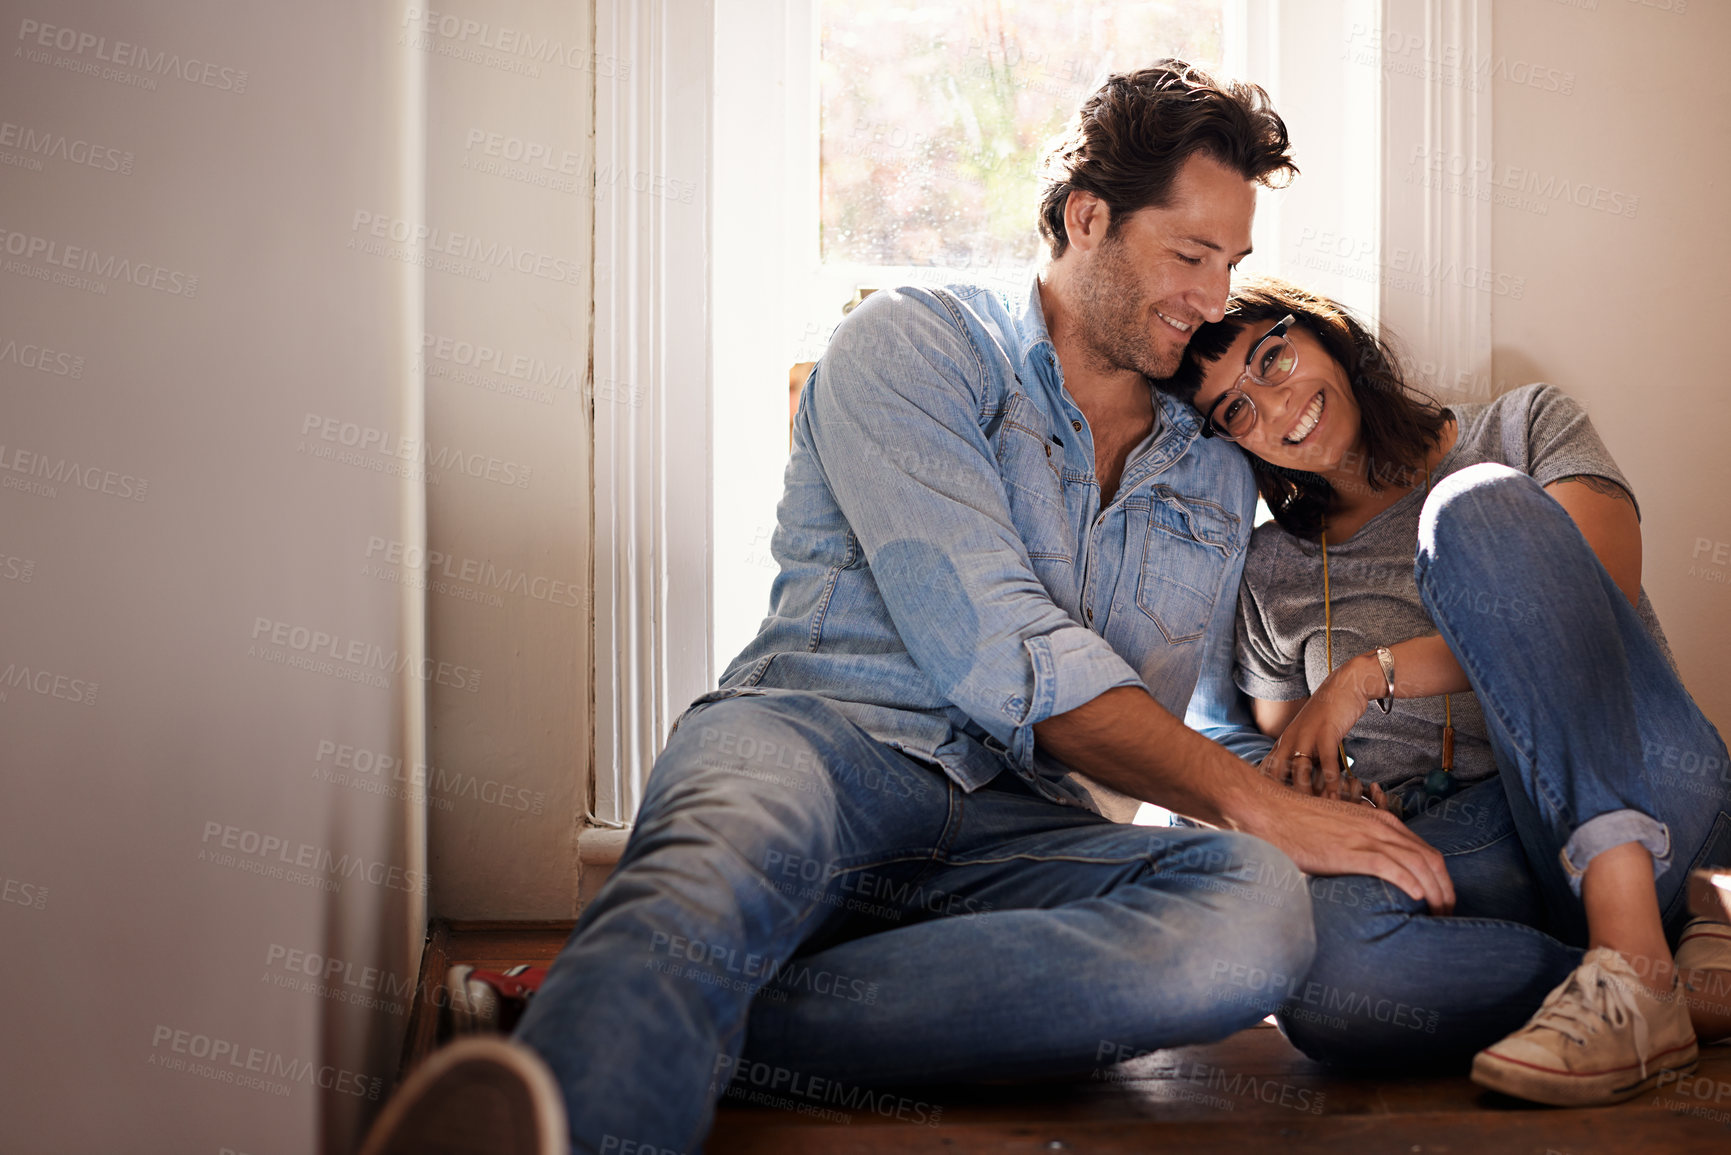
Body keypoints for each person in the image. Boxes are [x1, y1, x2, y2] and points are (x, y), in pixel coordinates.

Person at [360, 64, 1452, 1155]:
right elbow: (997, 645)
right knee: (714, 864)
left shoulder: (1215, 462)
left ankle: (616, 1016)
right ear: (1087, 218)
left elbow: (1200, 714)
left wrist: (1304, 792)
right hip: (816, 748)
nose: (1217, 301)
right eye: (1190, 255)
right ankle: (597, 1080)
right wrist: (1256, 804)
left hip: (1022, 829)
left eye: (1234, 264)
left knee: (1250, 917)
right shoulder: (913, 347)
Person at [1160, 275, 1731, 1107]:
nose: (1273, 406)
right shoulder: (1270, 571)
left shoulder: (1523, 425)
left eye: (1271, 357)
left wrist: (1367, 675)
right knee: (1322, 977)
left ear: (1323, 333)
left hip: (1654, 778)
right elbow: (1280, 746)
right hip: (1471, 845)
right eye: (1234, 411)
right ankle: (1653, 969)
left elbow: (1595, 592)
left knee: (1475, 506)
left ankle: (1640, 945)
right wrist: (1325, 796)